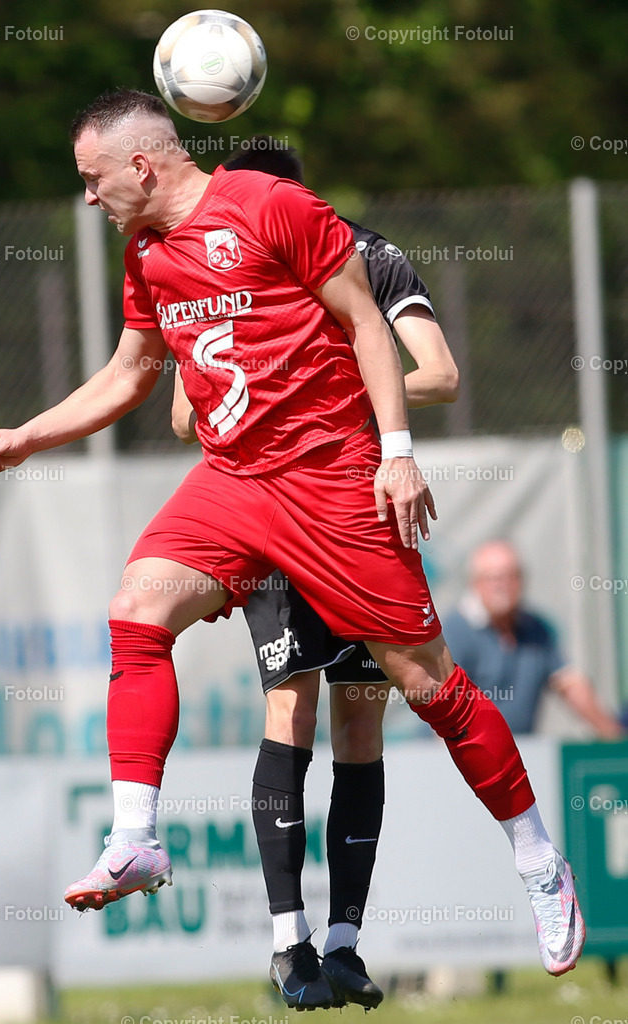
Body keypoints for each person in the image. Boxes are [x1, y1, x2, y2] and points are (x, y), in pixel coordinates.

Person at [0, 90, 584, 984]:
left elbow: (369, 325)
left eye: (93, 180)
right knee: (136, 610)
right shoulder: (146, 255)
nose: (88, 200)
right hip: (234, 480)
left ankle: (536, 858)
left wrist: (396, 456)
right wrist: (31, 434)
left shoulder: (273, 206)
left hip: (332, 478)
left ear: (141, 165)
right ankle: (135, 838)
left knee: (428, 687)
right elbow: (131, 374)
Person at [167, 137, 459, 1009]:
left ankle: (342, 944)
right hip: (272, 513)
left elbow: (437, 372)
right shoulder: (218, 266)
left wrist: (339, 387)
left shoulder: (362, 252)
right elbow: (189, 413)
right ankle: (287, 941)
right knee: (292, 708)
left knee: (359, 726)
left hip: (357, 507)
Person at [443, 539, 625, 738]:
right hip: (464, 756)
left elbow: (570, 685)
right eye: (494, 578)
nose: (503, 586)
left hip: (520, 755)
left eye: (511, 576)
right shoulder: (455, 631)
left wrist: (614, 737)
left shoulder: (537, 629)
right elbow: (445, 704)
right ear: (475, 583)